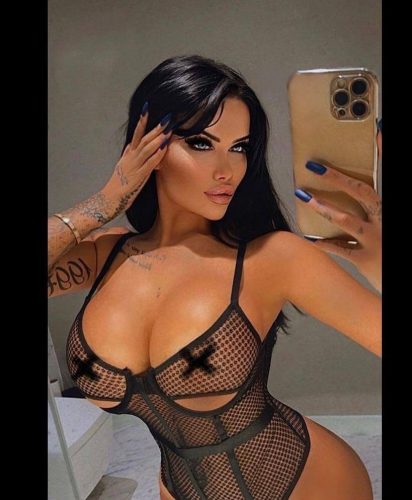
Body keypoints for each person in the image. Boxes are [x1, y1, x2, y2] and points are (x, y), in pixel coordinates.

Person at [48, 55, 381, 500]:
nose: (227, 170)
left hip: (307, 482)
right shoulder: (107, 255)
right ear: (148, 148)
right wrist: (104, 203)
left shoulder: (272, 257)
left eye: (240, 147)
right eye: (202, 143)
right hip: (179, 488)